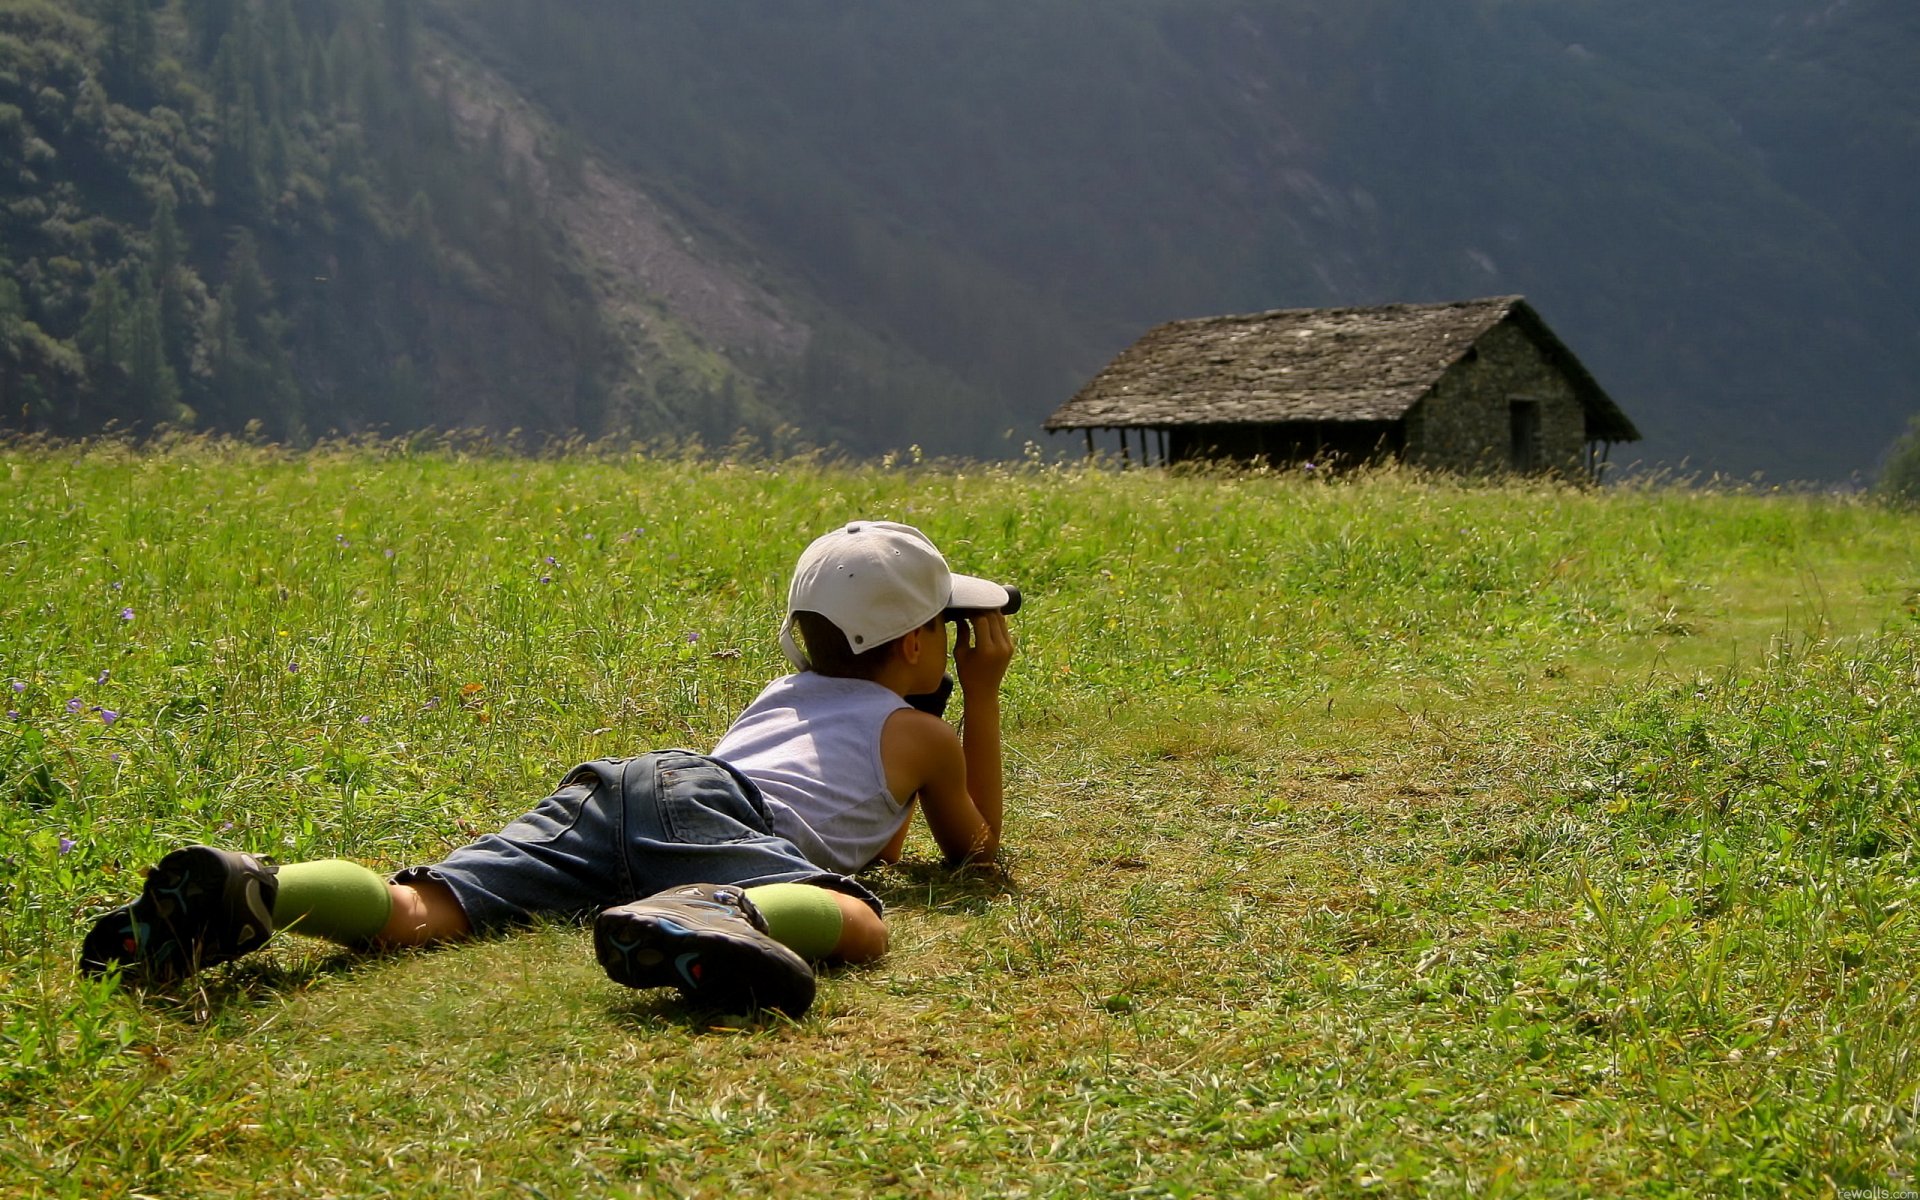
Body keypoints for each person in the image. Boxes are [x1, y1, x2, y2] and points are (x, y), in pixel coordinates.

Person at [79, 521, 1016, 1018]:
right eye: (949, 625)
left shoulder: (779, 695)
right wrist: (982, 691)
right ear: (915, 644)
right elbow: (973, 850)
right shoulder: (922, 737)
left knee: (423, 912)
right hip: (717, 822)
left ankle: (263, 891)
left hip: (637, 783)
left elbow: (870, 824)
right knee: (860, 923)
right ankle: (718, 910)